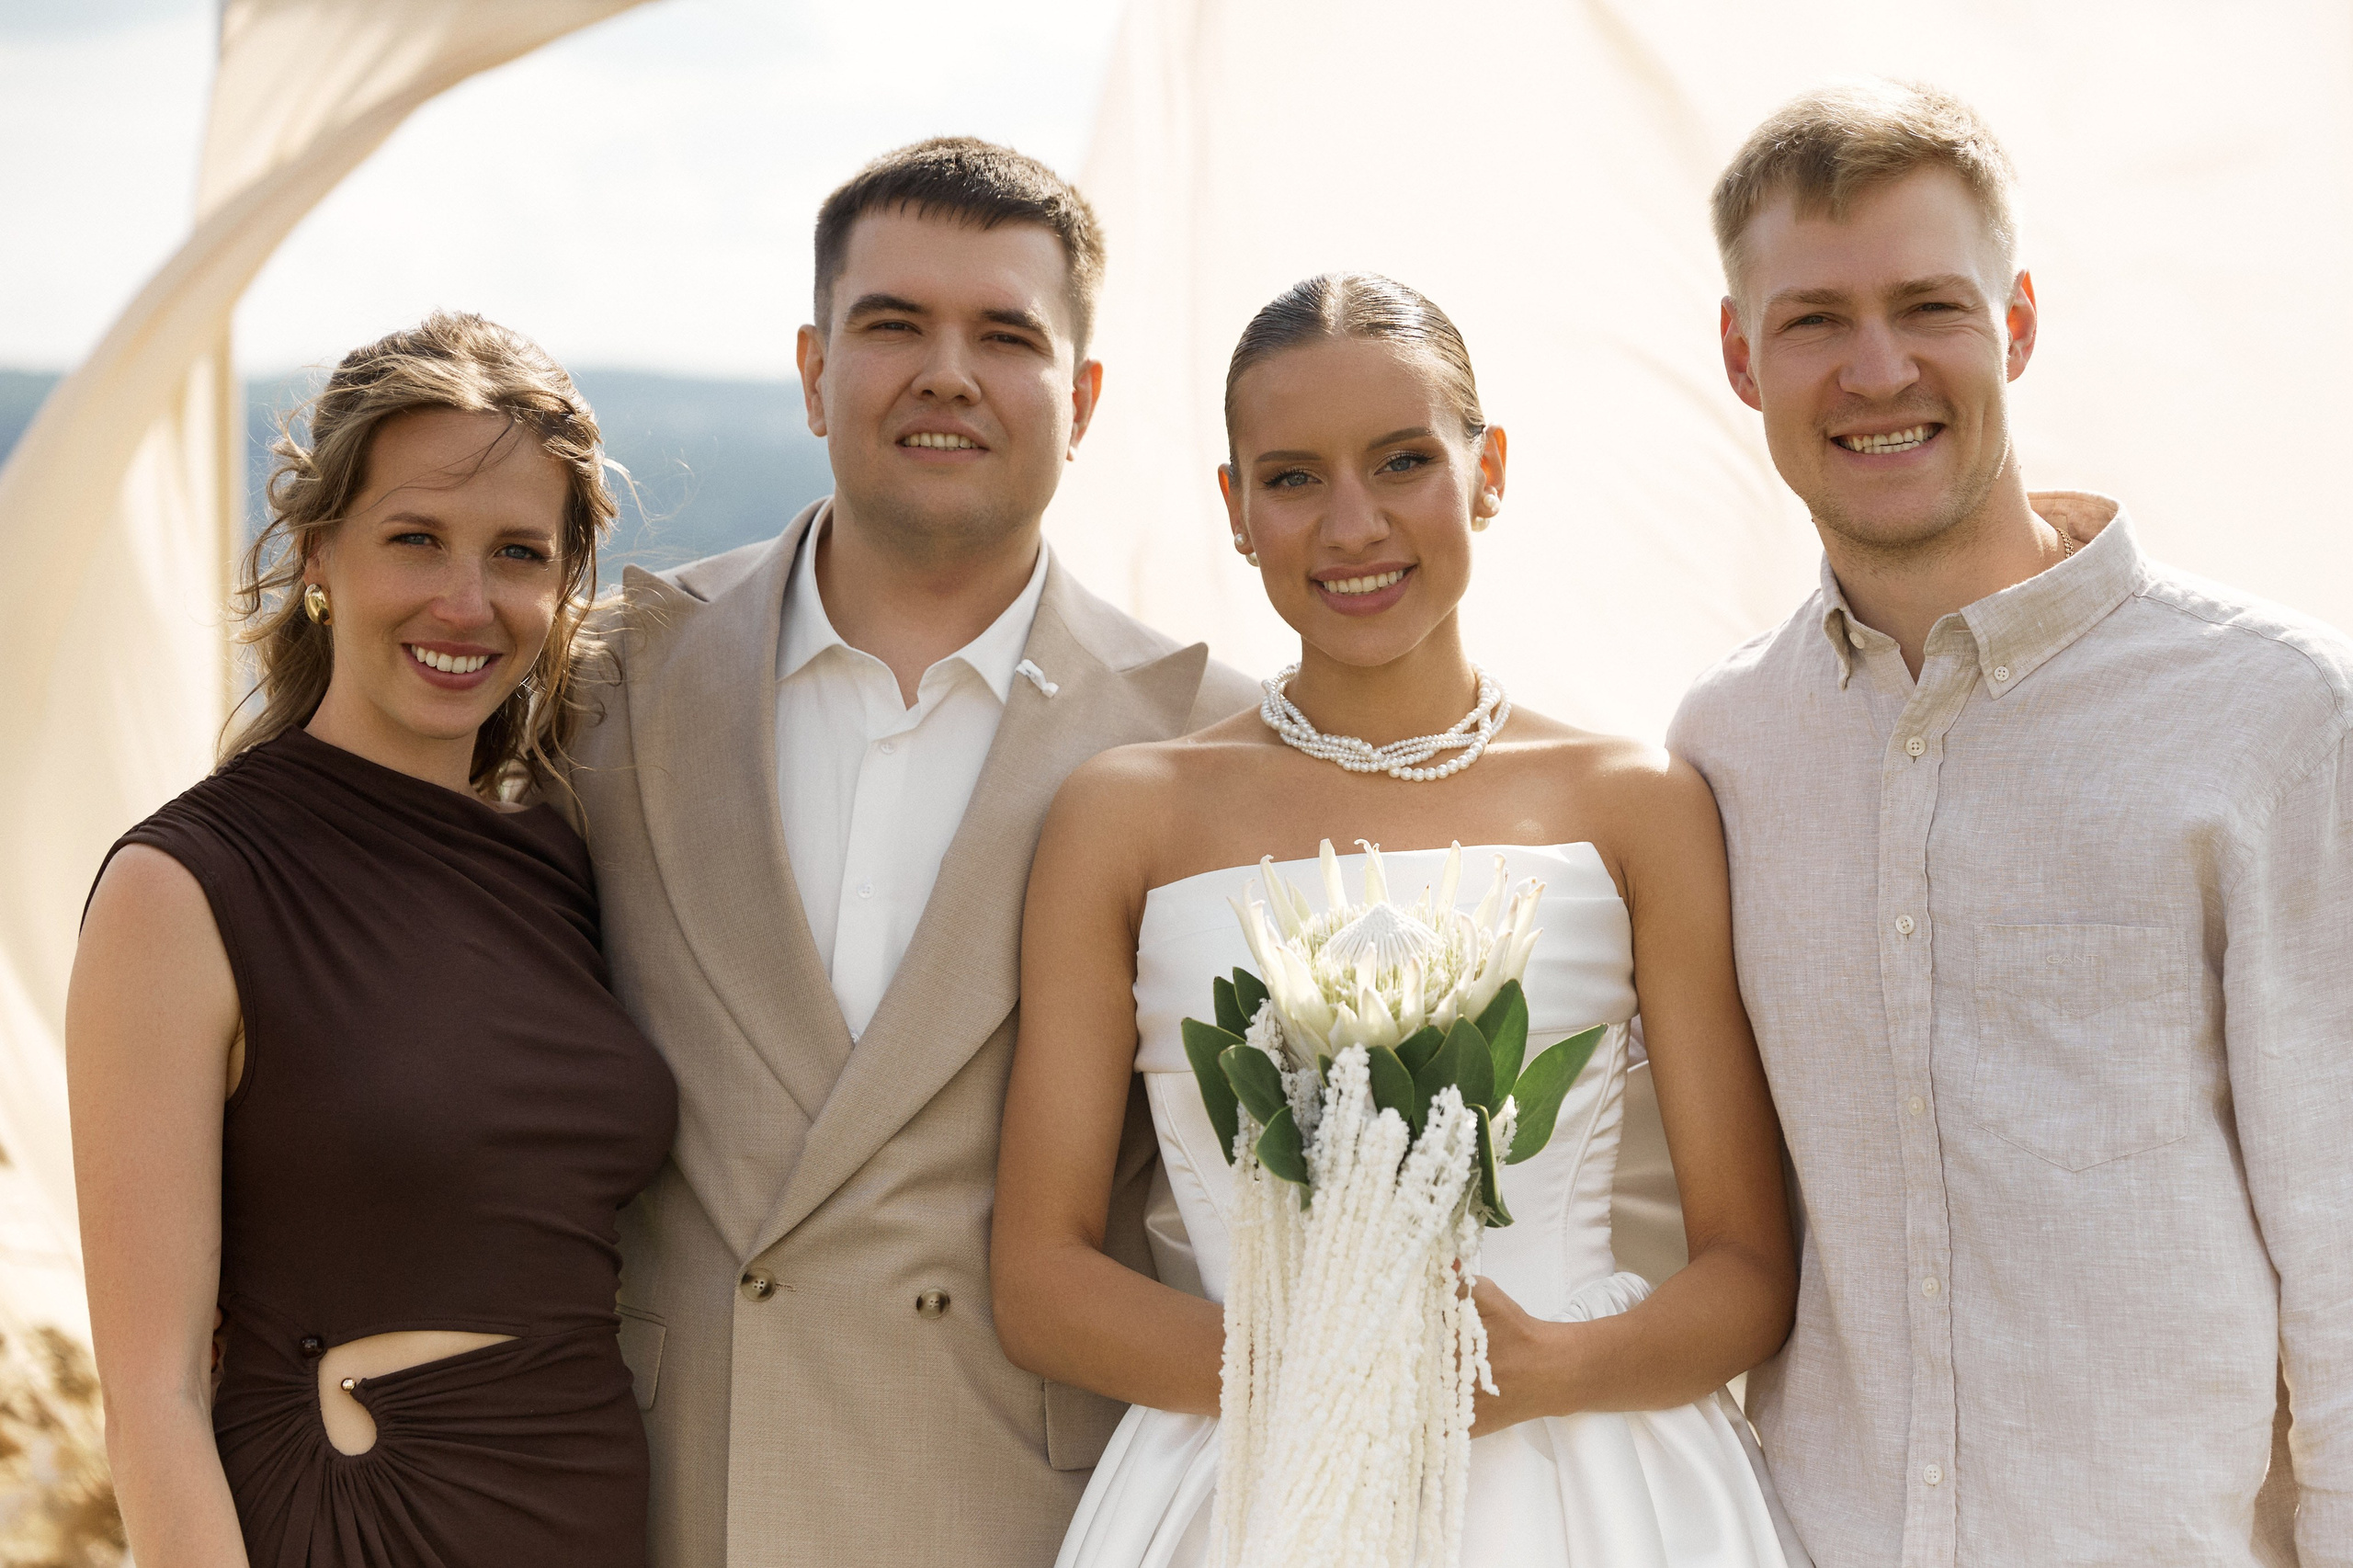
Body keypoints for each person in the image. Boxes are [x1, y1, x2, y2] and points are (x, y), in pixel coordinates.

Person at [993, 271, 1810, 1566]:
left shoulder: (1637, 803)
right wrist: (1314, 1373)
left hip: (1584, 1486)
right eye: (1294, 477)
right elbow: (1039, 1277)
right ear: (1237, 511)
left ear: (1489, 473)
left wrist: (1547, 1366)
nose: (1354, 523)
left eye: (1404, 461)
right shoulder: (1125, 817)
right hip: (1243, 1487)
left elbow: (1750, 1269)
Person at [1670, 82, 2353, 1567]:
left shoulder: (2278, 710)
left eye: (1930, 305)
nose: (1877, 368)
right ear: (1740, 355)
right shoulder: (1721, 746)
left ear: (2019, 324)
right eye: (1812, 322)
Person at [563, 137, 1258, 1568]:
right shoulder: (608, 681)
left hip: (1024, 1508)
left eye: (1007, 334)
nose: (948, 371)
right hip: (664, 1493)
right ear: (815, 372)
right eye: (895, 326)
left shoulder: (1216, 738)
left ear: (1085, 398)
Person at [67, 312, 679, 1567]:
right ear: (319, 553)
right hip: (352, 1527)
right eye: (416, 539)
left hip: (593, 1521)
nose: (467, 601)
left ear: (567, 583)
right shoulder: (180, 888)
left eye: (518, 552)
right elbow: (154, 1396)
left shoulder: (562, 861)